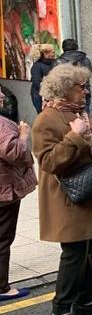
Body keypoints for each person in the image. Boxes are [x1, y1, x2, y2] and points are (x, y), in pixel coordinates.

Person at [32, 64, 92, 315]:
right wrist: (74, 135)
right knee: (74, 252)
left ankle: (83, 299)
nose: (86, 90)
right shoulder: (47, 119)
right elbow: (48, 161)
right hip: (68, 198)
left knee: (88, 249)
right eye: (82, 86)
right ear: (66, 89)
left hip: (89, 192)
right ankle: (60, 309)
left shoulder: (80, 113)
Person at [0, 88, 36, 302]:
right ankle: (2, 287)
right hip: (4, 190)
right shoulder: (3, 125)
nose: (3, 98)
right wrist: (23, 136)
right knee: (3, 237)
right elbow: (15, 153)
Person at [56, 40, 92, 112]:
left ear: (63, 48)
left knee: (68, 117)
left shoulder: (58, 62)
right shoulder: (86, 60)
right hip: (83, 90)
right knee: (84, 115)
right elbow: (89, 74)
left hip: (66, 94)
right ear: (76, 47)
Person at [30, 44, 55, 113]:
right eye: (52, 52)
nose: (54, 54)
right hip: (39, 95)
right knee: (43, 115)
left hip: (51, 94)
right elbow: (37, 82)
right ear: (46, 54)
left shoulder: (54, 63)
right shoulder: (37, 66)